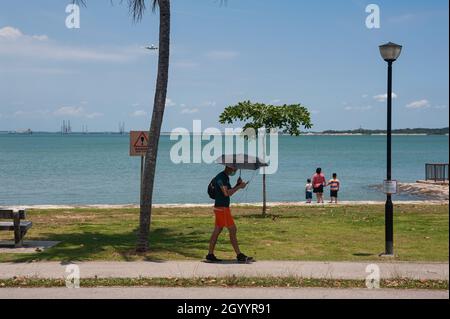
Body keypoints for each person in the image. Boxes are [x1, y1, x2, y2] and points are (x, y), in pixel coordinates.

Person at [206, 166, 254, 263]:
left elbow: (228, 191)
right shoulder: (221, 177)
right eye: (235, 169)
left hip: (220, 207)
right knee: (232, 229)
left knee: (217, 230)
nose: (235, 171)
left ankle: (210, 254)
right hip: (222, 208)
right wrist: (239, 187)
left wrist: (237, 184)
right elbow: (226, 193)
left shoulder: (225, 177)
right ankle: (239, 255)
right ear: (229, 168)